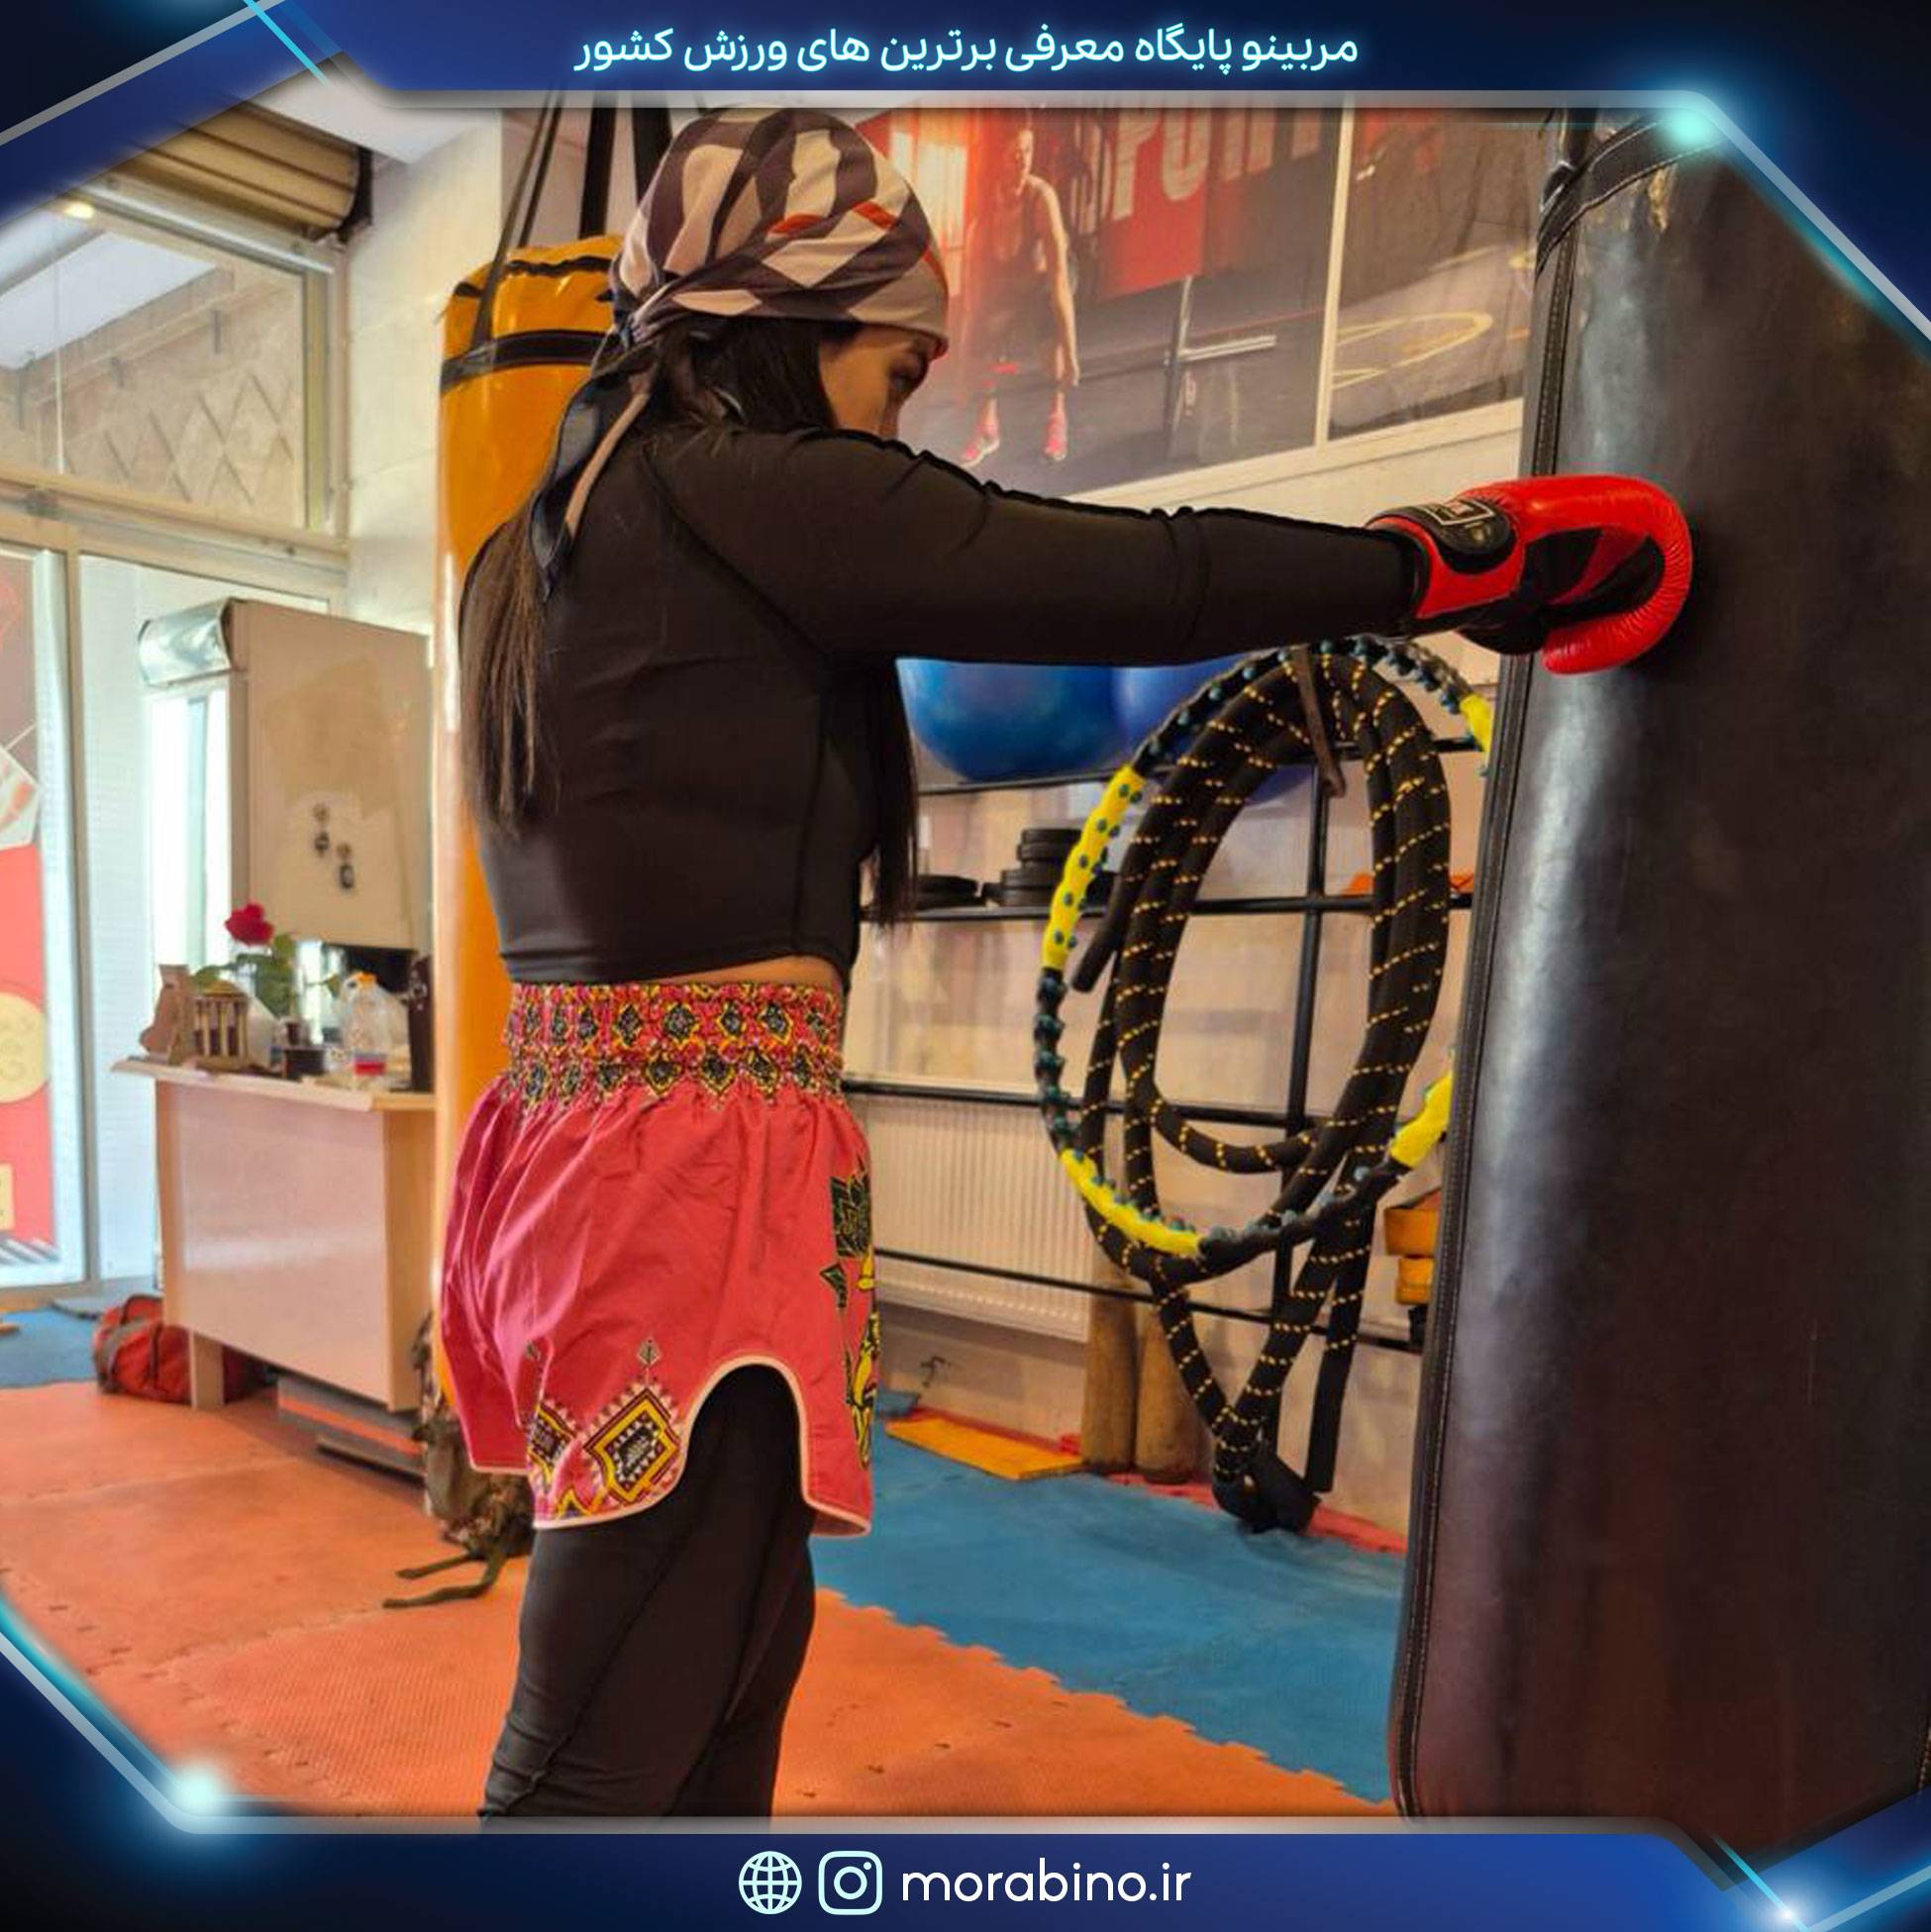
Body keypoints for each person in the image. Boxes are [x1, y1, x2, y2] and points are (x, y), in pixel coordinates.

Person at [444, 104, 1686, 1819]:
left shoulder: (544, 539)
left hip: (602, 1152)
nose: (902, 416)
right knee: (611, 1727)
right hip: (681, 1172)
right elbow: (1139, 577)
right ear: (799, 323)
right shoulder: (740, 490)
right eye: (895, 371)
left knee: (723, 1651)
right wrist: (1439, 559)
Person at [957, 116, 1080, 467]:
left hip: (1048, 278)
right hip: (1011, 282)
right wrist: (964, 373)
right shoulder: (982, 217)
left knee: (1047, 328)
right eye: (1014, 153)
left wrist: (1071, 357)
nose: (1023, 161)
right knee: (985, 332)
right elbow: (973, 304)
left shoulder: (1042, 198)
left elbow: (1059, 282)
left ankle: (1057, 417)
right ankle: (988, 427)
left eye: (1028, 151)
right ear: (997, 158)